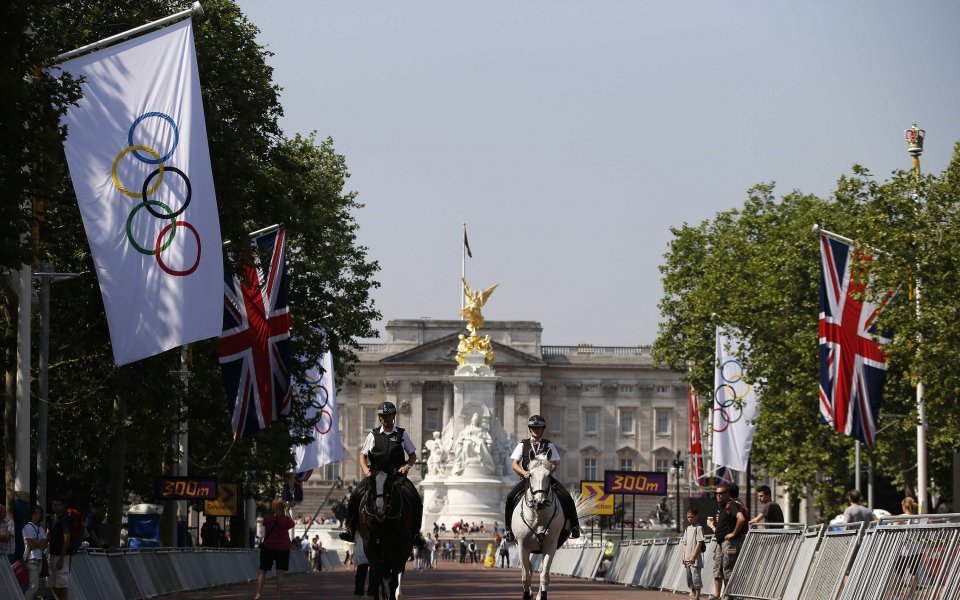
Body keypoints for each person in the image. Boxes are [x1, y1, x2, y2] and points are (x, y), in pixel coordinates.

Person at [339, 401, 426, 546]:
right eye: (383, 416)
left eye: (388, 416)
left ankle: (416, 533)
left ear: (393, 417)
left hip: (396, 476)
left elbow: (412, 455)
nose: (385, 419)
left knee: (416, 498)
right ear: (380, 418)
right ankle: (349, 528)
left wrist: (407, 466)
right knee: (354, 495)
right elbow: (362, 456)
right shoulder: (373, 435)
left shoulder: (401, 434)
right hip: (376, 476)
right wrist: (366, 470)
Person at [503, 414, 581, 542]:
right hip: (528, 479)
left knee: (567, 497)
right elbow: (514, 464)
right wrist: (524, 472)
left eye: (539, 428)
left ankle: (575, 526)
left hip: (546, 479)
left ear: (542, 429)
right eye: (534, 428)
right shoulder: (522, 445)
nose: (536, 430)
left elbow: (555, 464)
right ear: (530, 429)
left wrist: (546, 473)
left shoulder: (549, 445)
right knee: (510, 497)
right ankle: (508, 529)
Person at [705, 482, 747, 600]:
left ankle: (729, 596)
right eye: (716, 493)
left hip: (729, 544)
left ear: (728, 494)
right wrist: (712, 526)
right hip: (721, 543)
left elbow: (741, 519)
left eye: (721, 493)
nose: (718, 495)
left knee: (728, 569)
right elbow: (721, 529)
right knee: (718, 569)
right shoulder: (722, 507)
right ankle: (717, 595)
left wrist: (733, 533)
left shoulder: (731, 505)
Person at [253, 498, 295, 600]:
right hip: (283, 548)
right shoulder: (285, 520)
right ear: (283, 507)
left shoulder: (268, 518)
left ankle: (258, 594)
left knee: (262, 571)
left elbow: (266, 524)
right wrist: (287, 511)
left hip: (269, 546)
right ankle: (279, 595)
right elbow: (292, 524)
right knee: (280, 573)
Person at [47, 497, 72, 600]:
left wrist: (61, 558)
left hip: (63, 556)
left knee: (62, 584)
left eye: (58, 504)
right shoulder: (51, 518)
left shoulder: (65, 519)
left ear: (63, 506)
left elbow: (67, 539)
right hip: (51, 554)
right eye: (54, 504)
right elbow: (47, 534)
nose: (55, 506)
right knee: (51, 582)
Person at [22, 505, 48, 600]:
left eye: (39, 513)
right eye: (35, 513)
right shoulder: (27, 527)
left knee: (34, 586)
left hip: (40, 559)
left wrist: (37, 542)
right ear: (31, 514)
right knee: (34, 586)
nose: (37, 515)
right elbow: (31, 545)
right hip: (31, 559)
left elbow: (45, 544)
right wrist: (39, 543)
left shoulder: (41, 529)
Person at [681, 508, 705, 600]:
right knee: (689, 578)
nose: (690, 519)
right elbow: (684, 543)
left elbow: (700, 542)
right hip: (687, 558)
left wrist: (693, 556)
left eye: (691, 516)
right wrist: (683, 555)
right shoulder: (687, 529)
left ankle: (697, 596)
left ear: (696, 516)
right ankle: (693, 594)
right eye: (688, 517)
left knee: (696, 577)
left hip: (695, 559)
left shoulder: (699, 528)